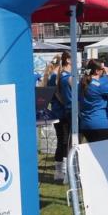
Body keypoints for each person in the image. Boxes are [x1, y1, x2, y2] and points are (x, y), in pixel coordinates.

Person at [78, 59, 108, 143]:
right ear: (97, 71)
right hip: (100, 124)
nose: (104, 70)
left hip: (86, 124)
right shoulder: (100, 85)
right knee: (103, 154)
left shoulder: (82, 83)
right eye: (102, 68)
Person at [47, 52, 73, 182]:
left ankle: (60, 172)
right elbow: (56, 93)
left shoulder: (56, 74)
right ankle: (64, 173)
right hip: (62, 113)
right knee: (66, 141)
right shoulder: (58, 75)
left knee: (62, 141)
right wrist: (66, 103)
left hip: (59, 112)